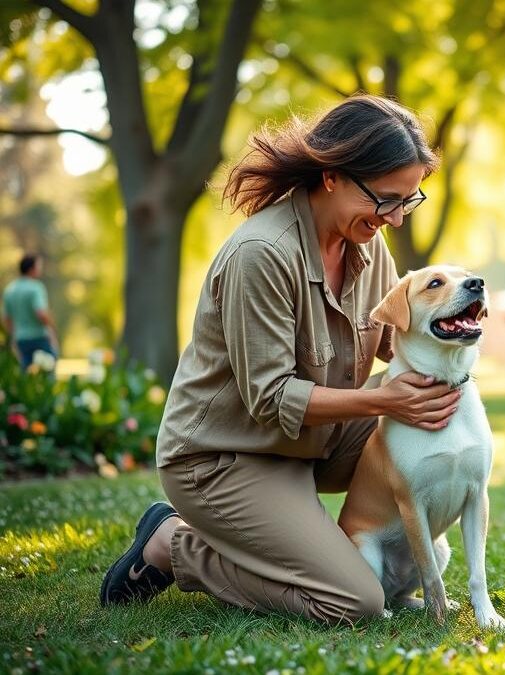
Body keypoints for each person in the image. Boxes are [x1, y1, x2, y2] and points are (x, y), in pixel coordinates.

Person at [99, 96, 464, 626]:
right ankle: (172, 545)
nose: (396, 220)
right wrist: (384, 399)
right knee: (355, 602)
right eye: (386, 200)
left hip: (315, 443)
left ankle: (353, 550)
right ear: (333, 176)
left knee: (441, 415)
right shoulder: (262, 254)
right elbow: (270, 399)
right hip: (225, 459)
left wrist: (452, 326)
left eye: (409, 201)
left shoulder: (369, 241)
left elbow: (395, 342)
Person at [2, 254, 59, 370]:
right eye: (39, 266)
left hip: (21, 339)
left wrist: (14, 335)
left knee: (26, 374)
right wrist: (52, 328)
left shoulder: (10, 290)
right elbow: (41, 313)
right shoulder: (35, 287)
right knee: (48, 369)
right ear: (32, 269)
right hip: (39, 337)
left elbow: (6, 318)